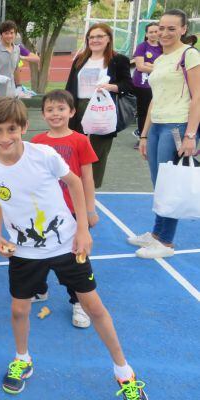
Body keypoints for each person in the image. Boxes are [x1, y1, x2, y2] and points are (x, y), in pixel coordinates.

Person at [0, 97, 148, 398]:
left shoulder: (43, 154)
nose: (5, 138)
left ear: (24, 127)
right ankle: (22, 359)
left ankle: (124, 371)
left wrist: (82, 229)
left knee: (94, 307)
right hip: (24, 251)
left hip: (67, 244)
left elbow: (75, 183)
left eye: (11, 129)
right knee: (19, 310)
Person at [130, 9, 199, 259]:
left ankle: (166, 242)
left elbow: (198, 96)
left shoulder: (189, 55)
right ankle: (156, 234)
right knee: (159, 184)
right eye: (162, 27)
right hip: (157, 127)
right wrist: (145, 135)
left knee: (169, 185)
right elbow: (154, 100)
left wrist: (191, 135)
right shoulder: (159, 60)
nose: (165, 32)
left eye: (172, 28)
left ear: (183, 29)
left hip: (177, 127)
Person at [30, 90, 99, 328]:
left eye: (61, 109)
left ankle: (78, 301)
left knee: (75, 259)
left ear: (72, 112)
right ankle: (39, 289)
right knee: (39, 253)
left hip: (71, 212)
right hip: (44, 212)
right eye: (50, 109)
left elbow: (87, 179)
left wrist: (89, 210)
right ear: (43, 114)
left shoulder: (80, 140)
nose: (55, 114)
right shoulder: (37, 142)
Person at [65, 23, 132, 188]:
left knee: (97, 153)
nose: (95, 40)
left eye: (100, 36)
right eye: (91, 37)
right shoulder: (80, 60)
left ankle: (91, 191)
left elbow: (128, 85)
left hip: (103, 109)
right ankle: (73, 188)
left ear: (108, 38)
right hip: (78, 107)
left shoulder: (118, 60)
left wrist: (111, 87)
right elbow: (69, 86)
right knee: (74, 149)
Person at [0, 20, 37, 97]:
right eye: (6, 33)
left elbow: (16, 69)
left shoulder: (17, 50)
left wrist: (19, 86)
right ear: (1, 35)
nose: (9, 36)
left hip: (11, 93)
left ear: (16, 34)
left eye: (12, 33)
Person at [132, 23, 162, 142]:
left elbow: (167, 64)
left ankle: (153, 136)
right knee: (143, 111)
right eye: (151, 32)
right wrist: (157, 67)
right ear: (146, 34)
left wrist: (149, 64)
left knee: (157, 109)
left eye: (156, 31)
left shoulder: (163, 46)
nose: (154, 34)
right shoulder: (142, 47)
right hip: (143, 84)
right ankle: (142, 137)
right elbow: (140, 67)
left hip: (159, 83)